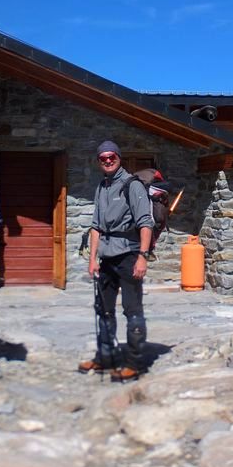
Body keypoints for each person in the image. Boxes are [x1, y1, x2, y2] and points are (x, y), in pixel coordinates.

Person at [79, 140, 154, 382]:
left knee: (132, 310)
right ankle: (105, 358)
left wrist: (142, 257)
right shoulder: (102, 186)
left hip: (129, 255)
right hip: (107, 257)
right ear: (99, 161)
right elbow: (96, 226)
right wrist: (92, 259)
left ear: (119, 157)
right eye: (103, 158)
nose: (108, 160)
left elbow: (145, 222)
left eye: (112, 156)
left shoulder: (132, 185)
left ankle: (134, 363)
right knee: (104, 310)